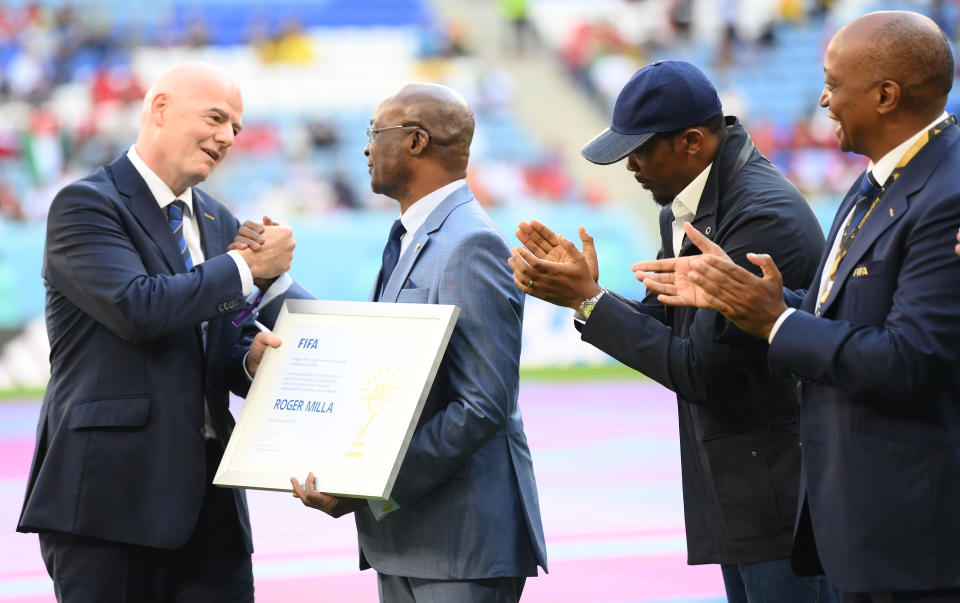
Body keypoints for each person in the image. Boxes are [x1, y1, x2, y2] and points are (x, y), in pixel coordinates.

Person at [636, 12, 960, 601]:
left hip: (914, 531)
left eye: (834, 84)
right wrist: (739, 293)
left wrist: (775, 320)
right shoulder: (875, 185)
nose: (823, 99)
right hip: (861, 518)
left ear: (885, 96)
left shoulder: (946, 195)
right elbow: (836, 316)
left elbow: (911, 359)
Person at [508, 60, 834, 602]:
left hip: (783, 497)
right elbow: (669, 319)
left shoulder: (759, 217)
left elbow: (698, 370)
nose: (630, 165)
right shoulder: (690, 202)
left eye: (640, 150)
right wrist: (591, 292)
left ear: (691, 142)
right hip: (746, 488)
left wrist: (587, 303)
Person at [16, 61, 294, 602]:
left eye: (235, 128)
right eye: (215, 118)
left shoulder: (217, 219)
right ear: (160, 108)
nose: (226, 138)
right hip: (109, 503)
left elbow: (214, 336)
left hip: (211, 505)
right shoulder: (86, 204)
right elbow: (136, 308)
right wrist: (245, 270)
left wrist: (247, 360)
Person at [288, 83, 547, 602]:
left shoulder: (469, 243)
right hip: (413, 541)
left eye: (373, 134)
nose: (364, 149)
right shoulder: (415, 237)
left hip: (458, 545)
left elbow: (482, 405)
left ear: (414, 142)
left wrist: (369, 481)